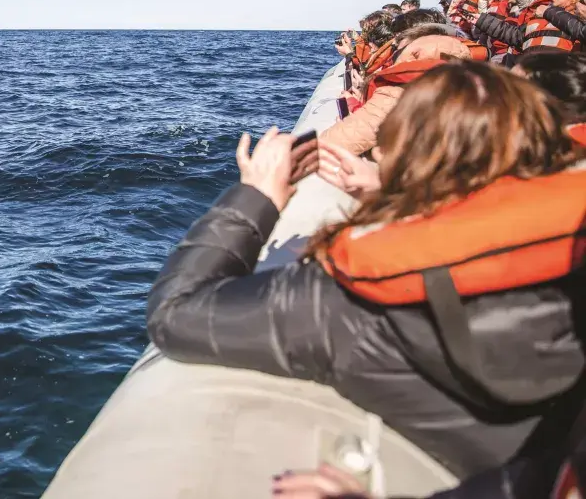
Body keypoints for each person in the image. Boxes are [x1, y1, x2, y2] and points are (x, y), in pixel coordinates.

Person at [146, 61, 586, 481]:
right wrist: (391, 191)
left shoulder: (354, 302)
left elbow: (176, 314)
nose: (378, 149)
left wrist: (257, 195)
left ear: (405, 151)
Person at [321, 26, 470, 155]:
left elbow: (345, 138)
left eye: (397, 50)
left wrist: (354, 105)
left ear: (413, 51)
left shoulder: (403, 88)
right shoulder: (466, 84)